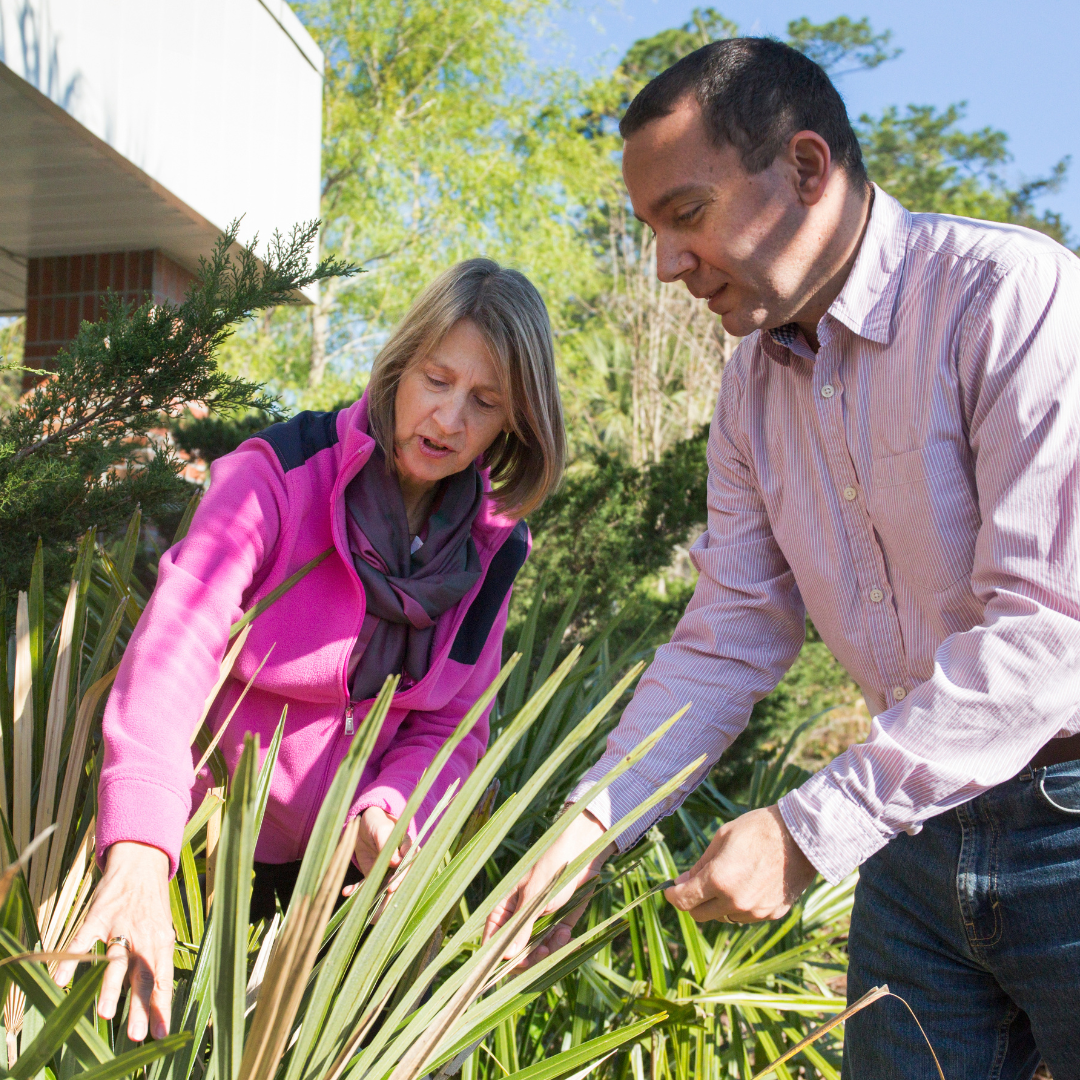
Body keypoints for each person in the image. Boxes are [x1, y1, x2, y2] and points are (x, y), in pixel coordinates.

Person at [484, 37, 1080, 1079]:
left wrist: (807, 833)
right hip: (913, 844)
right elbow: (724, 641)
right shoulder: (748, 398)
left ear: (806, 169)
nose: (667, 264)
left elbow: (1045, 632)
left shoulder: (1013, 298)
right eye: (652, 230)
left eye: (686, 214)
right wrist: (587, 834)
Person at [58, 259, 566, 1044]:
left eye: (486, 402)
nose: (451, 418)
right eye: (437, 379)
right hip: (192, 862)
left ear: (514, 423)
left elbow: (454, 727)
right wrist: (138, 847)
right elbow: (174, 653)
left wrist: (397, 806)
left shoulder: (494, 550)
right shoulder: (271, 479)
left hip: (346, 889)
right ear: (400, 366)